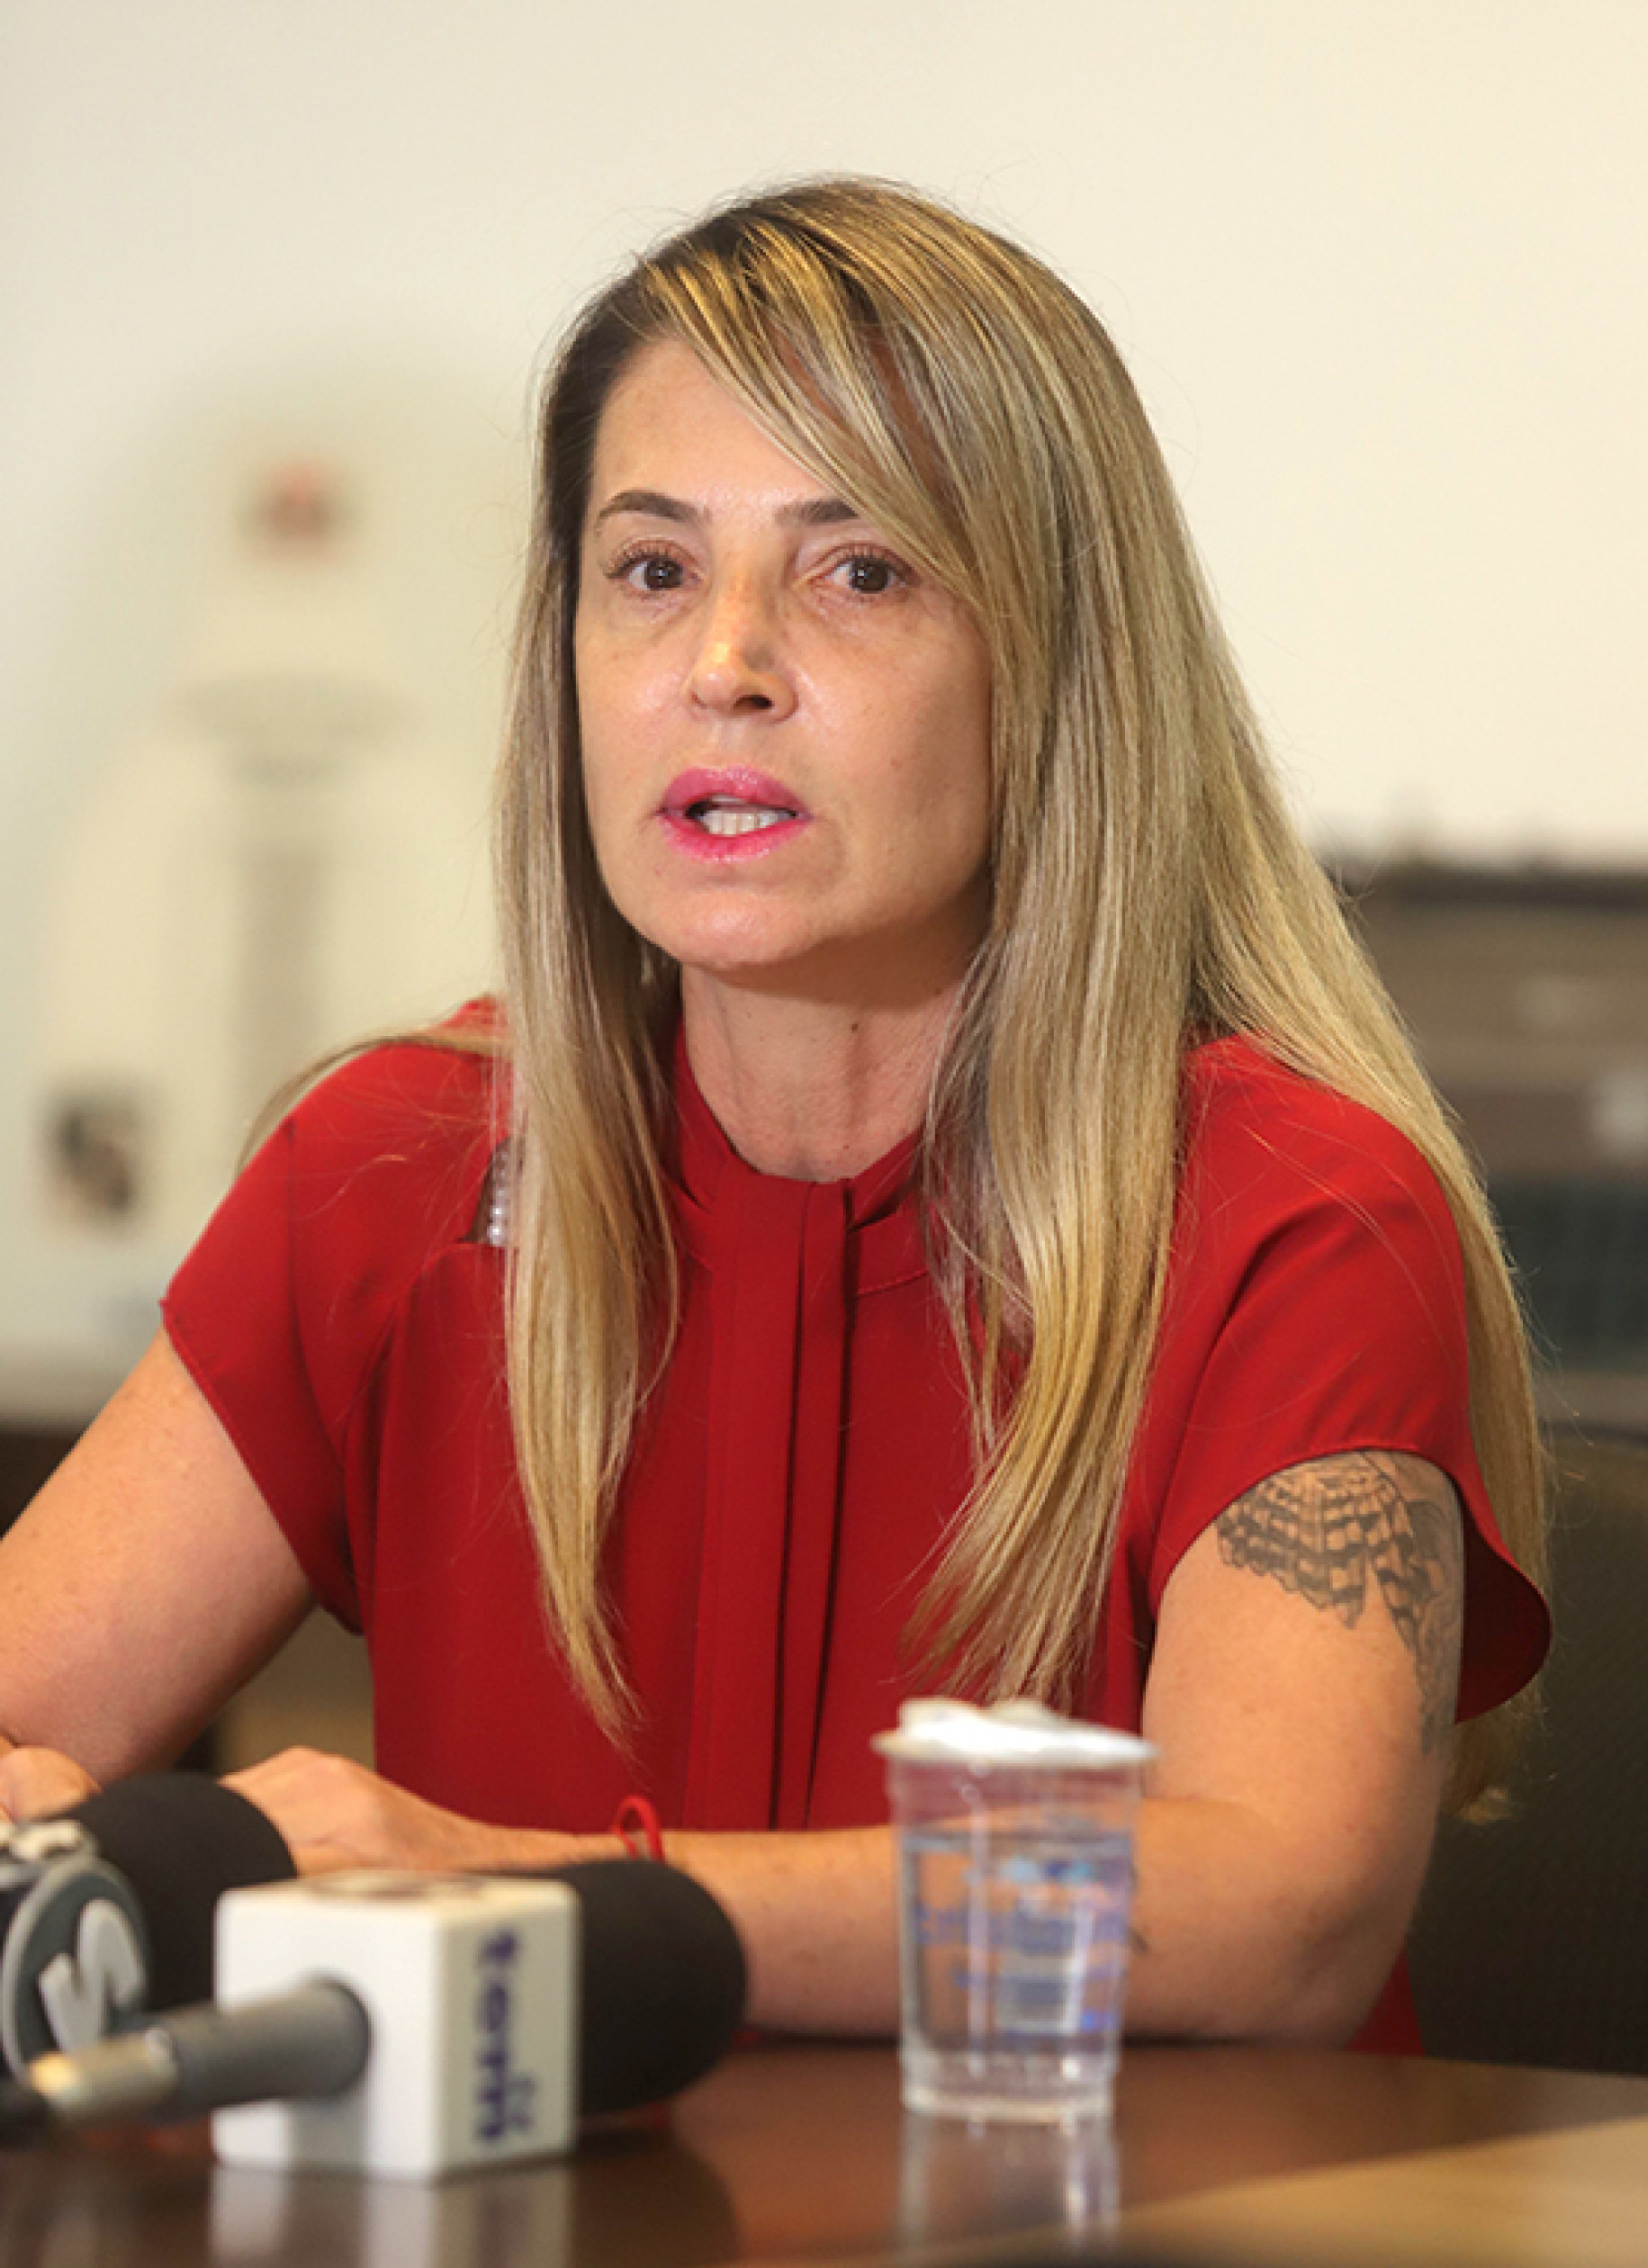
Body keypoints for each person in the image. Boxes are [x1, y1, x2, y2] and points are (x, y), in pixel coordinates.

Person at [0, 178, 1547, 2048]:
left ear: (1059, 670)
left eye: (858, 571)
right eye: (652, 570)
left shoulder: (1295, 1212)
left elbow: (1276, 1907)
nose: (720, 664)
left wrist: (528, 1897)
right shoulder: (399, 1169)